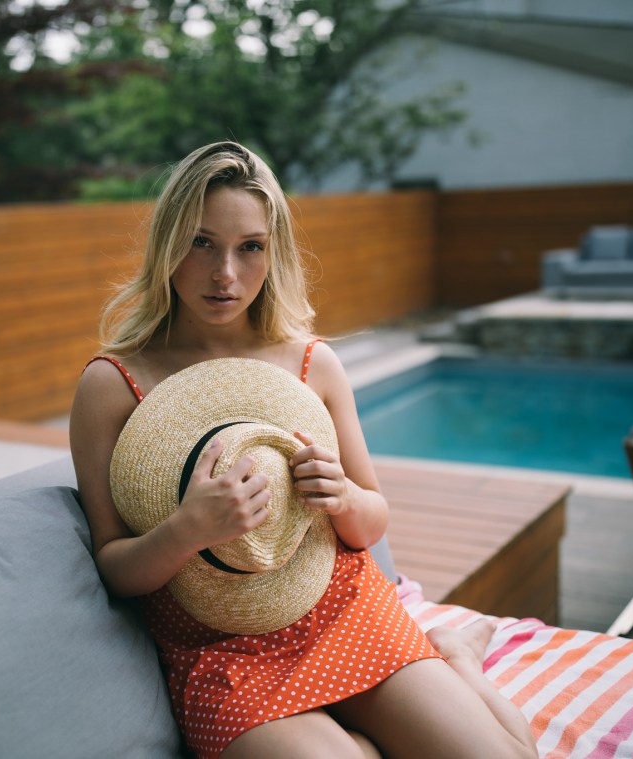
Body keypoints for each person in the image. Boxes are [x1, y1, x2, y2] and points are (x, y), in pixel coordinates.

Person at [70, 141, 537, 759]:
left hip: (344, 611)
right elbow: (113, 569)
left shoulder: (314, 364)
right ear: (167, 245)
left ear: (275, 252)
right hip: (222, 651)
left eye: (250, 247)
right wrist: (187, 529)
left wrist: (342, 497)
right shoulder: (112, 385)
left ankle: (458, 662)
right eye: (201, 242)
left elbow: (371, 520)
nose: (224, 274)